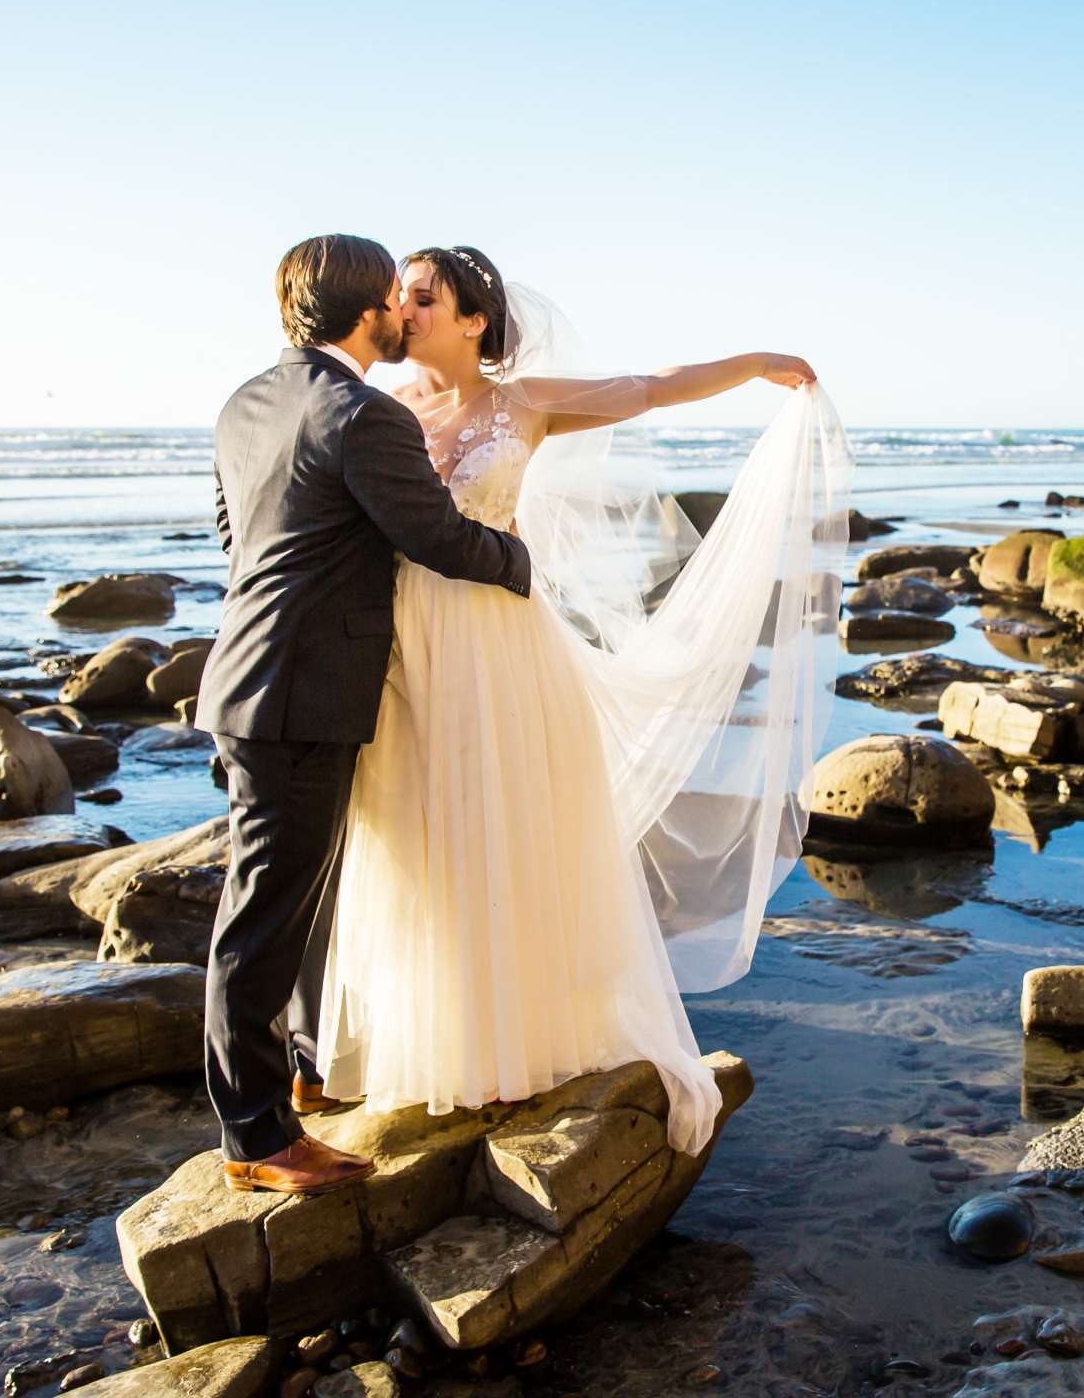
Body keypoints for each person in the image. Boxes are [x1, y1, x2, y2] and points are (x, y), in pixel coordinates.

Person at [311, 245, 848, 1157]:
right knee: (414, 836)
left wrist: (756, 364)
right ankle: (433, 1042)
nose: (402, 308)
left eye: (422, 296)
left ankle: (519, 1041)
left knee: (505, 831)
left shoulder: (524, 402)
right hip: (406, 645)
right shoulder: (382, 409)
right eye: (400, 295)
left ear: (475, 319)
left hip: (500, 644)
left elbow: (650, 386)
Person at [194, 235, 535, 1196]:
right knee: (264, 912)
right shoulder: (362, 413)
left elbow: (235, 533)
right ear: (368, 309)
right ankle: (254, 1139)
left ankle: (302, 1077)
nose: (404, 312)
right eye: (396, 296)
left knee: (301, 892)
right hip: (301, 690)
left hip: (250, 674)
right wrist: (521, 565)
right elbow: (430, 535)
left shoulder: (246, 402)